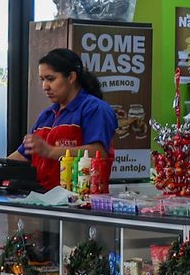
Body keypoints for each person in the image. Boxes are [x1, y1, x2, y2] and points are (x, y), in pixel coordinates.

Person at [14, 48, 116, 189]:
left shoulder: (95, 109)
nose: (45, 86)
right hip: (42, 200)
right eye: (42, 80)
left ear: (71, 77)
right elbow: (23, 156)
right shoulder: (46, 115)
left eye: (51, 79)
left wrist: (51, 151)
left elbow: (98, 152)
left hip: (79, 202)